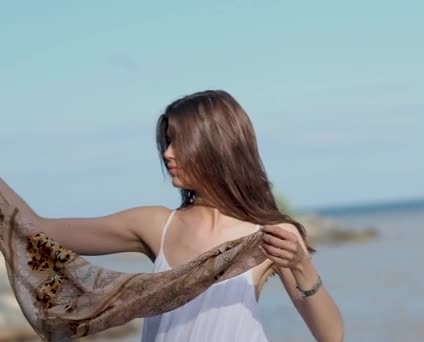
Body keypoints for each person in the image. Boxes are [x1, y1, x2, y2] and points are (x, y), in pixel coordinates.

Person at [3, 90, 344, 342]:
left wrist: (302, 266)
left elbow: (331, 336)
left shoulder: (269, 233)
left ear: (217, 145)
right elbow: (38, 231)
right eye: (166, 142)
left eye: (178, 142)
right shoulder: (156, 225)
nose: (167, 154)